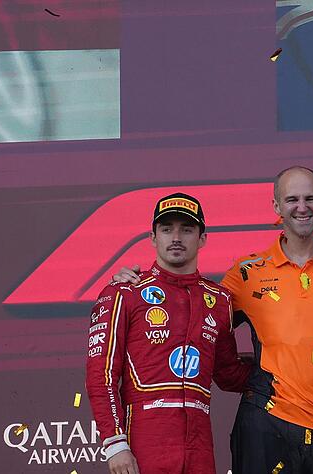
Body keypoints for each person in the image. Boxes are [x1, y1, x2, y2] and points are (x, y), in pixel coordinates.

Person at [113, 167, 313, 473]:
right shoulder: (247, 273)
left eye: (310, 198)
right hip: (266, 426)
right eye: (292, 199)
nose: (302, 207)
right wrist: (138, 284)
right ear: (276, 206)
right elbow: (193, 318)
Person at [86, 192, 252, 474]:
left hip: (200, 445)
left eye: (186, 229)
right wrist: (116, 444)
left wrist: (283, 370)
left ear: (202, 239)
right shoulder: (123, 292)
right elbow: (101, 377)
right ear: (153, 238)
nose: (176, 237)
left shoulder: (219, 299)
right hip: (145, 443)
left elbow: (227, 374)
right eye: (166, 229)